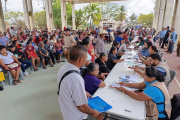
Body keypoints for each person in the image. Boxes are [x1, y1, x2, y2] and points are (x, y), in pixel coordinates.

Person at [57, 45, 104, 120]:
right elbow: (81, 106)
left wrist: (83, 91)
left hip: (67, 112)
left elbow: (69, 88)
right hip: (76, 116)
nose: (86, 61)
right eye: (86, 58)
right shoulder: (76, 78)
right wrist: (93, 112)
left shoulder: (63, 68)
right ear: (80, 60)